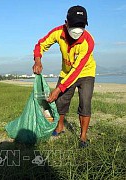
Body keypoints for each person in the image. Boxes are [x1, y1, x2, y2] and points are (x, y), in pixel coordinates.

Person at [32, 5, 96, 148]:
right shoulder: (58, 32)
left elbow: (77, 69)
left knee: (85, 103)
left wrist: (58, 88)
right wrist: (37, 60)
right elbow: (40, 44)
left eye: (81, 25)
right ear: (66, 22)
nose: (77, 29)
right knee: (60, 102)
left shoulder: (88, 42)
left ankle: (83, 137)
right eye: (74, 24)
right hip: (66, 72)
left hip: (85, 73)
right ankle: (59, 127)